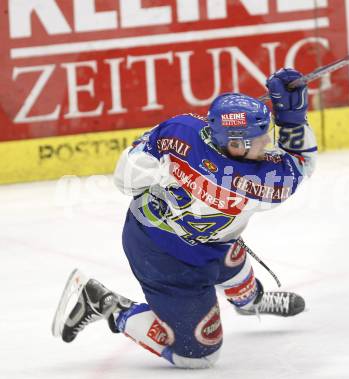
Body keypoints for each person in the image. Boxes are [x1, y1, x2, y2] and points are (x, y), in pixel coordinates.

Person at [52, 68, 318, 369]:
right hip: (164, 259)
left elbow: (126, 180)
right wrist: (293, 116)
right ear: (236, 144)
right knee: (198, 354)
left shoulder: (181, 129)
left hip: (169, 233)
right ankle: (107, 304)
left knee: (233, 265)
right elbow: (301, 163)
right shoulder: (263, 180)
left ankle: (250, 302)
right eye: (260, 139)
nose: (267, 143)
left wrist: (159, 165)